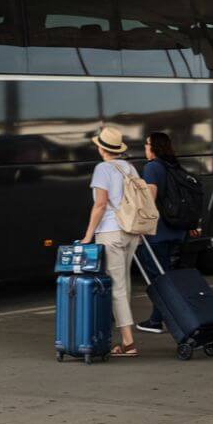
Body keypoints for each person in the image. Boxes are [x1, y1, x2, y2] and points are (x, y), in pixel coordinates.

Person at [80, 126, 141, 357]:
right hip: (131, 231)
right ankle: (124, 336)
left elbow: (100, 204)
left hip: (111, 232)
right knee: (124, 284)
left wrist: (88, 235)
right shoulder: (129, 168)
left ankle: (128, 343)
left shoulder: (102, 169)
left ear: (101, 148)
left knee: (116, 287)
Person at [135, 132, 189, 334]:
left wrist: (140, 225)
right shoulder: (174, 166)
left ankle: (162, 319)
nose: (145, 147)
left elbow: (149, 197)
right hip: (176, 230)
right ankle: (158, 318)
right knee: (166, 276)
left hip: (157, 233)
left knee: (158, 280)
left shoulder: (152, 167)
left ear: (154, 147)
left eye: (146, 143)